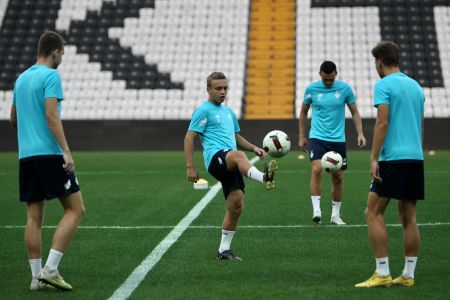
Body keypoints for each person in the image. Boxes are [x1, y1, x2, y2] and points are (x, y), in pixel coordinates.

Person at [9, 31, 85, 291]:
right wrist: (66, 150)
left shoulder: (21, 79)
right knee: (75, 209)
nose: (62, 58)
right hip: (49, 154)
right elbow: (52, 116)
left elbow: (13, 119)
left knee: (33, 217)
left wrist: (29, 132)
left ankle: (35, 278)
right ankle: (50, 269)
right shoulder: (51, 76)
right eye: (62, 53)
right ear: (55, 52)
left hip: (26, 156)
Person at [184, 72, 278, 261]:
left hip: (231, 161)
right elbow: (189, 137)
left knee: (236, 205)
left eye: (225, 88)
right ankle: (263, 177)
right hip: (216, 159)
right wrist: (190, 167)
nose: (222, 92)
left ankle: (223, 250)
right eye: (218, 88)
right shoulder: (203, 111)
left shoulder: (228, 112)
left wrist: (254, 148)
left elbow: (235, 136)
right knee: (237, 155)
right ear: (208, 89)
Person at [355, 41, 424, 288]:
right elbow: (418, 123)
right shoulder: (416, 86)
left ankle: (382, 272)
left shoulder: (383, 85)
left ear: (379, 62)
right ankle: (408, 275)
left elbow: (382, 123)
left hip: (393, 158)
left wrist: (374, 158)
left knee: (372, 212)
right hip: (415, 158)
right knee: (409, 217)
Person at [298, 61, 366, 225]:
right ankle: (316, 209)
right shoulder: (312, 89)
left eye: (331, 79)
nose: (328, 82)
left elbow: (355, 111)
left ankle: (335, 215)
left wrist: (360, 134)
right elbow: (303, 112)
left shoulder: (345, 89)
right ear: (320, 74)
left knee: (338, 177)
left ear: (336, 74)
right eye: (325, 79)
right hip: (317, 137)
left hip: (338, 140)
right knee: (317, 168)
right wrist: (301, 136)